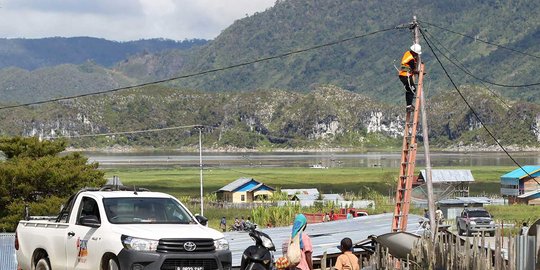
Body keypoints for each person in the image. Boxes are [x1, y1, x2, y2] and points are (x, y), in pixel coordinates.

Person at [398, 43, 421, 112]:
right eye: (416, 54)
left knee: (409, 89)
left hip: (403, 75)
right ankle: (409, 106)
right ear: (414, 52)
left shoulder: (407, 53)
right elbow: (414, 70)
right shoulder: (411, 59)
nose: (417, 55)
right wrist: (420, 72)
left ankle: (409, 105)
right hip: (406, 75)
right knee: (412, 89)